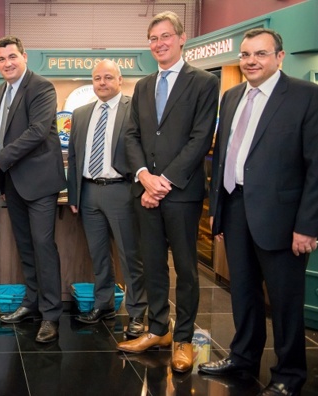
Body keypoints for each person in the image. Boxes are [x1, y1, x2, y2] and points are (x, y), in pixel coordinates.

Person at [199, 28, 318, 395]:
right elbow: (222, 158)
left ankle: (289, 375)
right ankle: (242, 357)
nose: (251, 61)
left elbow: (316, 165)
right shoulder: (232, 96)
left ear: (279, 57)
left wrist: (307, 226)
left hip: (282, 219)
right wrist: (218, 209)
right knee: (243, 293)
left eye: (260, 54)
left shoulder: (306, 96)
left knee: (284, 302)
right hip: (235, 210)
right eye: (246, 54)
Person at [117, 11, 219, 374]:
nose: (158, 43)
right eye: (152, 38)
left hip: (182, 193)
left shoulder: (204, 82)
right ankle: (158, 329)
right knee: (153, 266)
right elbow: (132, 136)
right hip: (145, 191)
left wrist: (165, 182)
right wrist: (144, 175)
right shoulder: (143, 85)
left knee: (187, 271)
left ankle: (184, 339)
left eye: (164, 36)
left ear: (181, 38)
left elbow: (200, 138)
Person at [0, 35, 66, 343]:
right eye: (1, 59)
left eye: (12, 56)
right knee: (25, 246)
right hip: (12, 183)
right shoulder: (0, 90)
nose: (7, 63)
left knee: (43, 245)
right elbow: (1, 134)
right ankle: (32, 302)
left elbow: (37, 132)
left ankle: (51, 315)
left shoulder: (41, 87)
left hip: (39, 183)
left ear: (24, 56)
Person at [67, 60, 147, 337]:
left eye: (108, 77)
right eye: (97, 78)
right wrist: (75, 194)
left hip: (121, 191)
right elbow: (75, 157)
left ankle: (137, 313)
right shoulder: (80, 114)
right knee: (98, 255)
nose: (102, 82)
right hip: (89, 193)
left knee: (129, 255)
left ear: (120, 79)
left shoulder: (134, 110)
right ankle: (104, 305)